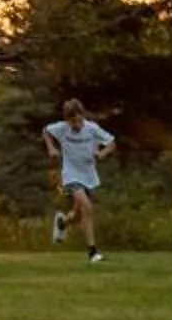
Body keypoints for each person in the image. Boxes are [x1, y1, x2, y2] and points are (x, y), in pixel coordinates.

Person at [44, 98, 117, 262]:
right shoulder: (62, 129)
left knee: (77, 215)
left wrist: (102, 154)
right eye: (72, 123)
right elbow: (46, 131)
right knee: (87, 207)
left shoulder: (92, 129)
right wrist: (51, 148)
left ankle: (62, 222)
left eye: (77, 121)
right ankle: (93, 252)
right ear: (66, 121)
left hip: (88, 174)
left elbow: (111, 142)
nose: (75, 126)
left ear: (82, 116)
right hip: (71, 174)